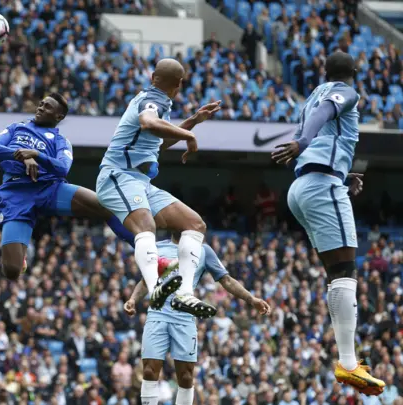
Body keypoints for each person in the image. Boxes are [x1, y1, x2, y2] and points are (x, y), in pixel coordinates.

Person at [271, 51, 385, 395]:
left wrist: (341, 171)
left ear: (323, 69)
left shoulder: (310, 97)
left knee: (336, 274)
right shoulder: (346, 92)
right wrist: (304, 144)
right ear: (354, 71)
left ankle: (347, 361)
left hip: (304, 186)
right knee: (346, 271)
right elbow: (324, 118)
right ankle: (349, 364)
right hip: (321, 185)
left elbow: (321, 133)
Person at [0, 93, 180, 281]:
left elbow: (62, 168)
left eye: (47, 107)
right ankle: (21, 255)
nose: (41, 108)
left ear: (58, 116)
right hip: (16, 194)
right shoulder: (16, 128)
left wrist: (36, 155)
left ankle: (154, 257)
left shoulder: (61, 141)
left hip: (49, 189)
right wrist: (22, 155)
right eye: (42, 104)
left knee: (106, 206)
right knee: (11, 271)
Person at [96, 58, 221, 315]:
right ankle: (155, 289)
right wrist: (189, 135)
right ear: (179, 84)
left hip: (140, 183)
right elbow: (148, 123)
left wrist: (193, 121)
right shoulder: (153, 100)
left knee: (195, 224)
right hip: (118, 176)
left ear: (154, 76)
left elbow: (156, 143)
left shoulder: (158, 102)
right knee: (147, 227)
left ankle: (184, 293)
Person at [123, 233, 271, 405]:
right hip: (157, 314)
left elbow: (227, 281)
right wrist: (133, 299)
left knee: (185, 375)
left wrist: (251, 299)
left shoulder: (203, 250)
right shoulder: (158, 247)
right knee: (149, 371)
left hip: (184, 318)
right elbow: (144, 281)